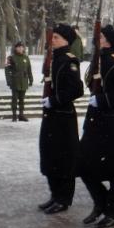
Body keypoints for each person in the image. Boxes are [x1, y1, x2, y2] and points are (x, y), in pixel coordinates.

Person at [78, 25, 114, 228]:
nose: (96, 39)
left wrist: (103, 100)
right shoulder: (97, 60)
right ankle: (101, 203)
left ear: (108, 41)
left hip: (109, 121)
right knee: (82, 165)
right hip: (93, 121)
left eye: (101, 36)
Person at [37, 24, 84, 215]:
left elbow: (75, 90)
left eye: (56, 37)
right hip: (52, 115)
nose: (53, 40)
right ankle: (55, 194)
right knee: (49, 154)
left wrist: (54, 100)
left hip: (63, 116)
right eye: (52, 37)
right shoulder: (54, 58)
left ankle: (63, 198)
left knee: (63, 158)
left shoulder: (69, 61)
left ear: (66, 40)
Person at [4, 42, 33, 121]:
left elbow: (29, 69)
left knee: (22, 99)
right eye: (19, 47)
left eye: (22, 47)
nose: (20, 49)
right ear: (15, 48)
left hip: (23, 81)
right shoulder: (11, 58)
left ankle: (21, 115)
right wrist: (9, 81)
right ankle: (14, 115)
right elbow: (7, 70)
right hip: (15, 82)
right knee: (14, 99)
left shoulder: (26, 58)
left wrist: (31, 79)